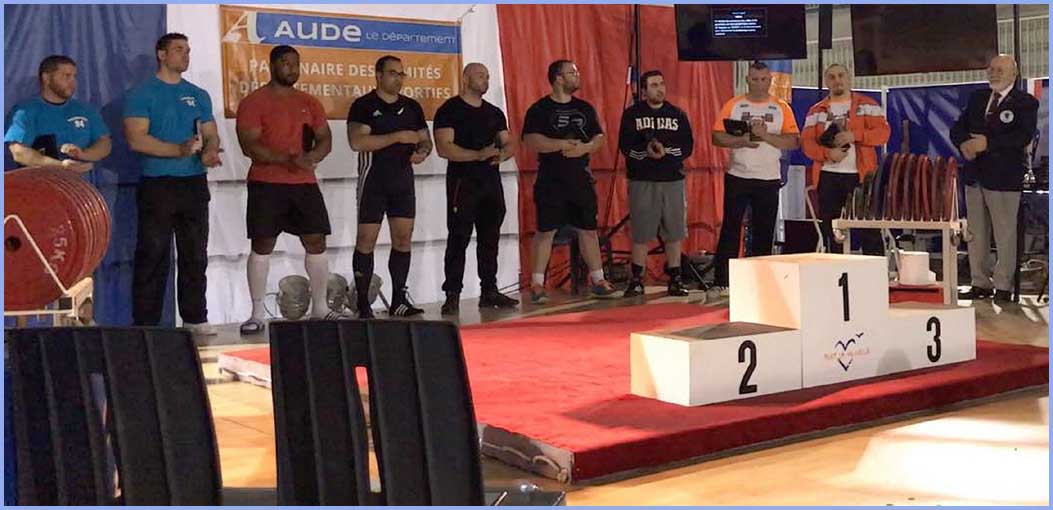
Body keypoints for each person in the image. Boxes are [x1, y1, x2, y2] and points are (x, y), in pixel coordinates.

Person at [235, 45, 347, 334]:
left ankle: (319, 308)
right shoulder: (254, 102)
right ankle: (256, 313)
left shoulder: (309, 102)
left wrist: (313, 157)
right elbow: (250, 146)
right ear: (272, 65)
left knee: (316, 240)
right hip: (266, 183)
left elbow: (324, 139)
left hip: (304, 183)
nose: (292, 69)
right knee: (263, 244)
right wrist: (286, 159)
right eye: (286, 63)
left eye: (296, 64)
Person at [123, 33, 222, 333]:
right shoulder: (142, 94)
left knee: (195, 254)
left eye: (188, 50)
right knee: (153, 254)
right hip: (158, 184)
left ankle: (195, 317)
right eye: (179, 49)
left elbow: (210, 133)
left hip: (193, 183)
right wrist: (177, 150)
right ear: (161, 54)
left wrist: (210, 151)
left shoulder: (198, 94)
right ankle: (146, 324)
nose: (185, 55)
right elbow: (136, 139)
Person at [522, 59, 618, 304]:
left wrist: (585, 147)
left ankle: (598, 280)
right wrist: (561, 144)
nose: (577, 76)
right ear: (558, 78)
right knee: (546, 231)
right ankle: (537, 284)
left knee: (588, 230)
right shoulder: (539, 109)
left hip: (581, 178)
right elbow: (531, 140)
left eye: (577, 72)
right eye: (572, 72)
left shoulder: (584, 108)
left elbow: (599, 137)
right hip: (551, 179)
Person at [347, 55, 432, 318]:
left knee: (403, 239)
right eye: (393, 73)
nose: (398, 79)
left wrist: (422, 151)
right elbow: (357, 142)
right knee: (366, 239)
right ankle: (363, 303)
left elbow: (425, 139)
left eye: (401, 74)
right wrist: (397, 137)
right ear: (379, 75)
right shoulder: (364, 105)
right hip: (374, 179)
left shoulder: (412, 107)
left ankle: (399, 300)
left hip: (402, 180)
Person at [434, 63, 519, 315]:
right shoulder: (449, 110)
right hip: (463, 182)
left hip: (490, 182)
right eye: (481, 76)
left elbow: (508, 142)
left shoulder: (494, 112)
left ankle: (489, 290)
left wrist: (502, 154)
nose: (486, 80)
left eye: (488, 76)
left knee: (490, 237)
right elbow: (444, 148)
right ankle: (452, 294)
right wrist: (478, 155)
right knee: (458, 237)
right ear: (465, 78)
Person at [951, 55, 1038, 303]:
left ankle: (1003, 285)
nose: (994, 73)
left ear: (1014, 74)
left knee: (1004, 233)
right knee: (975, 233)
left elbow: (1022, 136)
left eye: (1000, 69)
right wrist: (964, 144)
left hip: (1004, 178)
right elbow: (958, 127)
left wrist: (987, 143)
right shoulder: (978, 98)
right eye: (991, 69)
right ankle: (979, 282)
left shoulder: (1025, 102)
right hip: (975, 176)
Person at [711, 61, 799, 296]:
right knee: (730, 229)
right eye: (754, 79)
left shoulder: (781, 107)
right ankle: (722, 281)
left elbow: (793, 141)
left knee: (764, 231)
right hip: (738, 175)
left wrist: (765, 136)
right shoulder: (734, 104)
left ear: (770, 80)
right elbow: (717, 137)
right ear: (747, 80)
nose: (759, 84)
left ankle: (760, 282)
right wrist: (741, 140)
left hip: (768, 178)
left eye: (763, 79)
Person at [617, 70, 694, 298]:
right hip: (643, 180)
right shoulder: (632, 115)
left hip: (672, 180)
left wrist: (666, 152)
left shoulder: (677, 114)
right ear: (643, 91)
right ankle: (636, 279)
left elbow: (687, 146)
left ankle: (675, 278)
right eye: (653, 85)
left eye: (661, 84)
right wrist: (646, 152)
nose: (659, 89)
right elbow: (625, 146)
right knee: (641, 232)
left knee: (674, 232)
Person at [801, 63, 889, 255]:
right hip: (827, 177)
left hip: (862, 177)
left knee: (869, 229)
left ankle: (875, 270)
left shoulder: (868, 105)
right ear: (826, 82)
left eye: (841, 75)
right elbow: (807, 144)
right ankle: (835, 270)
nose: (837, 80)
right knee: (831, 230)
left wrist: (854, 135)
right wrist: (828, 154)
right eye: (832, 77)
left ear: (849, 78)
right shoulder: (816, 110)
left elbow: (883, 134)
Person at [5, 55, 111, 172]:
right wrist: (61, 166)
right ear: (46, 78)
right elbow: (19, 153)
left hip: (82, 182)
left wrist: (83, 154)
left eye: (74, 76)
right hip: (41, 181)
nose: (72, 82)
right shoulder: (25, 111)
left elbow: (104, 142)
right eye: (66, 76)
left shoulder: (85, 110)